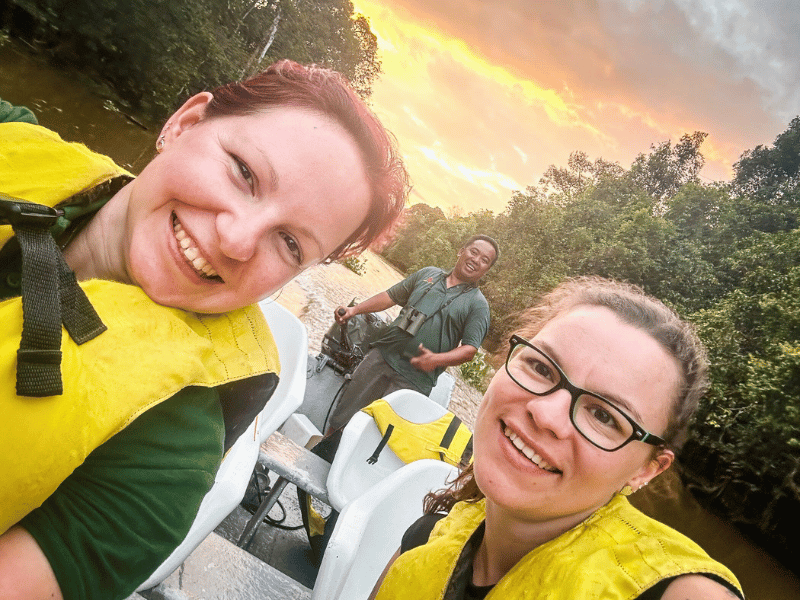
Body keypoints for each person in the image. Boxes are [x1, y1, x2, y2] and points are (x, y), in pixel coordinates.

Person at [0, 59, 408, 600]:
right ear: (184, 123)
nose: (236, 241)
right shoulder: (13, 138)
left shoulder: (171, 449)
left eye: (290, 243)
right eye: (244, 173)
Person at [369, 276, 745, 600]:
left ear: (647, 470)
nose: (546, 414)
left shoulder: (676, 591)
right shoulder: (425, 535)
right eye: (540, 367)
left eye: (603, 415)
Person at [326, 234, 499, 433]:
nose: (476, 260)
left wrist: (435, 359)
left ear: (487, 270)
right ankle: (321, 451)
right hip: (382, 355)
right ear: (461, 251)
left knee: (378, 435)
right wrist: (354, 310)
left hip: (415, 379)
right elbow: (390, 296)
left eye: (484, 260)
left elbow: (469, 350)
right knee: (344, 413)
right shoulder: (428, 274)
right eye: (473, 252)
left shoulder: (478, 305)